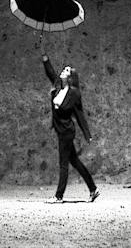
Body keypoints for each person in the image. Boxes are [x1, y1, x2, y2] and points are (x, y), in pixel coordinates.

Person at [41, 53, 99, 203]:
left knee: (63, 164)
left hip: (66, 131)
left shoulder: (73, 93)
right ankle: (93, 189)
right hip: (61, 130)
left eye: (66, 70)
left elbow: (79, 114)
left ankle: (59, 196)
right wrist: (46, 59)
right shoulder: (58, 87)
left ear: (71, 77)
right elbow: (51, 73)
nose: (63, 71)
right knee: (75, 161)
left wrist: (87, 133)